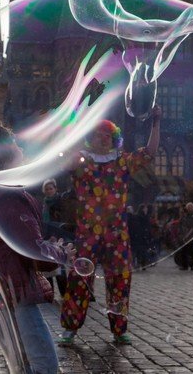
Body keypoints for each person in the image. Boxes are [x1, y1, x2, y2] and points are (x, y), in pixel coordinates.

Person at [0, 121, 74, 374]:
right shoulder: (9, 197)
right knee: (44, 363)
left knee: (21, 360)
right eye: (16, 145)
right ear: (4, 155)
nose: (21, 148)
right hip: (16, 291)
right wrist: (61, 253)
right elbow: (33, 250)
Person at [60, 105, 161, 346]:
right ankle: (70, 328)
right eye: (97, 134)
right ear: (90, 138)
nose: (103, 138)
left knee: (120, 279)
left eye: (108, 135)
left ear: (114, 139)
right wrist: (73, 120)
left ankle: (119, 329)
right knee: (79, 279)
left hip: (116, 232)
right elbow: (66, 153)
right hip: (87, 233)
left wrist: (156, 124)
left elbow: (150, 151)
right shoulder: (82, 161)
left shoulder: (122, 162)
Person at [178, 202, 193, 271]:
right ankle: (184, 265)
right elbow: (180, 225)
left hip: (191, 238)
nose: (189, 208)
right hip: (184, 238)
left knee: (192, 252)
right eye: (188, 207)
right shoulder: (184, 216)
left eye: (190, 207)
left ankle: (192, 265)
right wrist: (181, 235)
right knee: (184, 252)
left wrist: (191, 235)